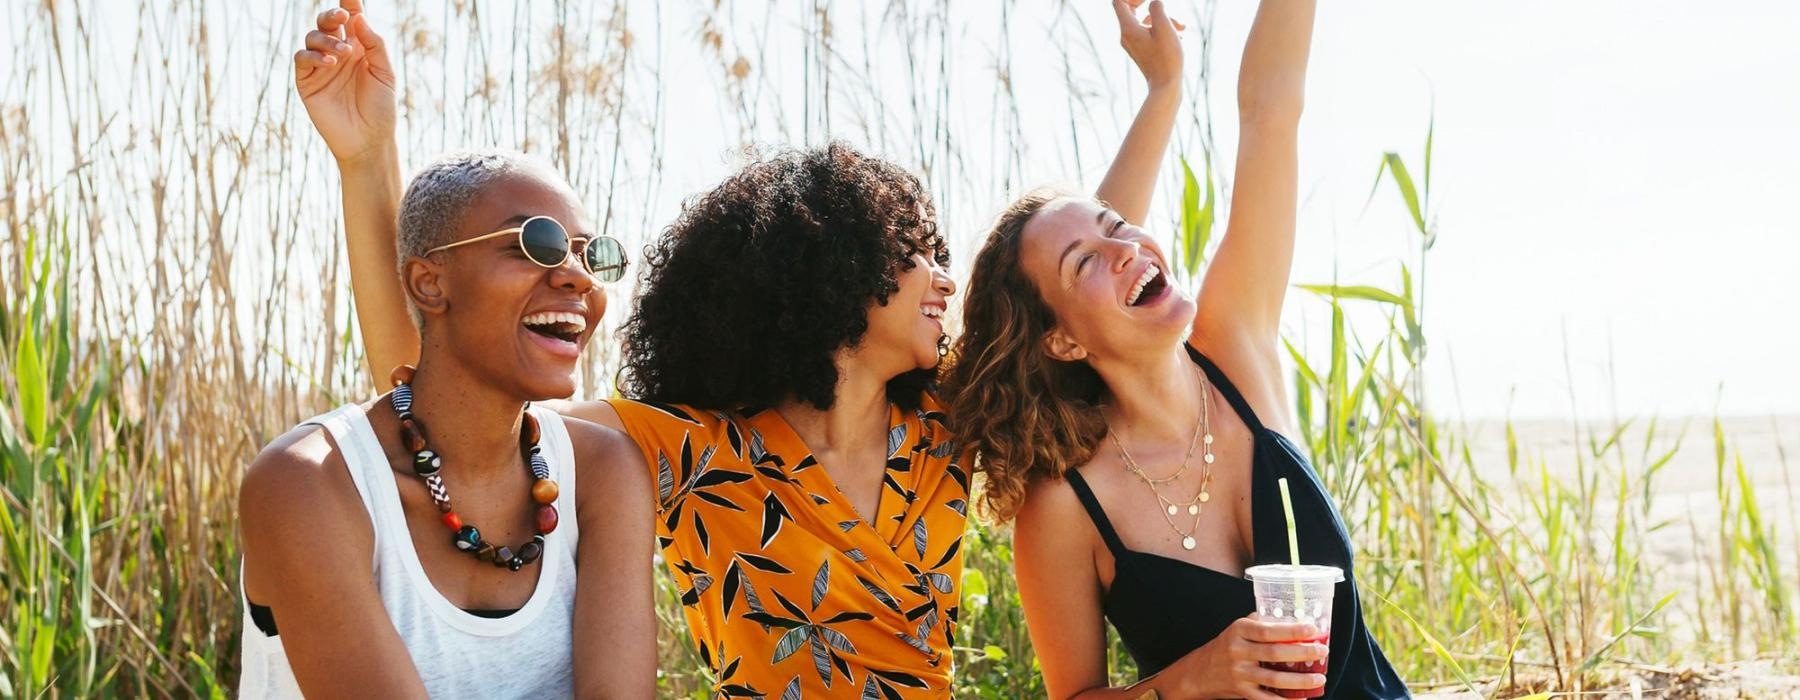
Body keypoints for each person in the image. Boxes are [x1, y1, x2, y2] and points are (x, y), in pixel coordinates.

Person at [944, 0, 1410, 697]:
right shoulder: (1066, 504)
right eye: (1085, 261)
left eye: (1118, 225)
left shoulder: (1237, 350)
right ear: (1062, 340)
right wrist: (1191, 680)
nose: (1128, 247)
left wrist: (1166, 87)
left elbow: (1270, 112)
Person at [236, 148, 656, 696]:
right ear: (429, 284)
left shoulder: (603, 473)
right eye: (538, 245)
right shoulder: (307, 484)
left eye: (589, 255)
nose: (577, 277)